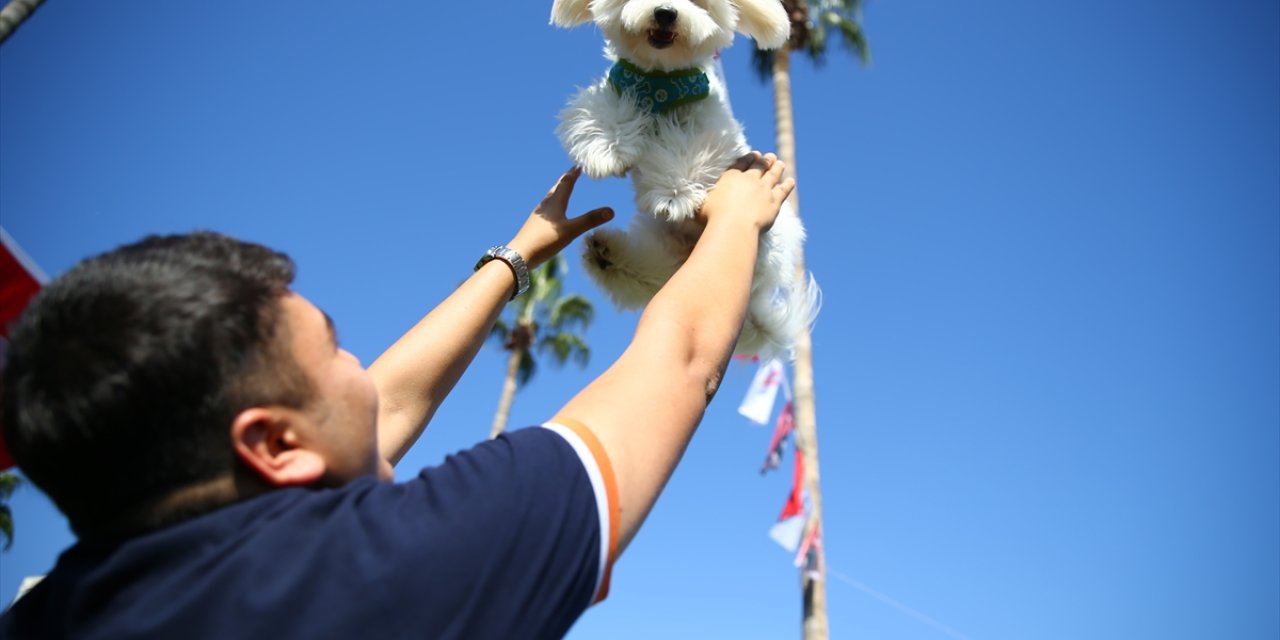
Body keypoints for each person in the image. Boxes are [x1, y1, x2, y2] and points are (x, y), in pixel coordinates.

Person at [0, 152, 795, 639]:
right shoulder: (383, 574)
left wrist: (517, 257)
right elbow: (681, 363)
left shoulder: (51, 614)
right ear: (273, 444)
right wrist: (735, 218)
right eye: (337, 349)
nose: (362, 370)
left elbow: (375, 411)